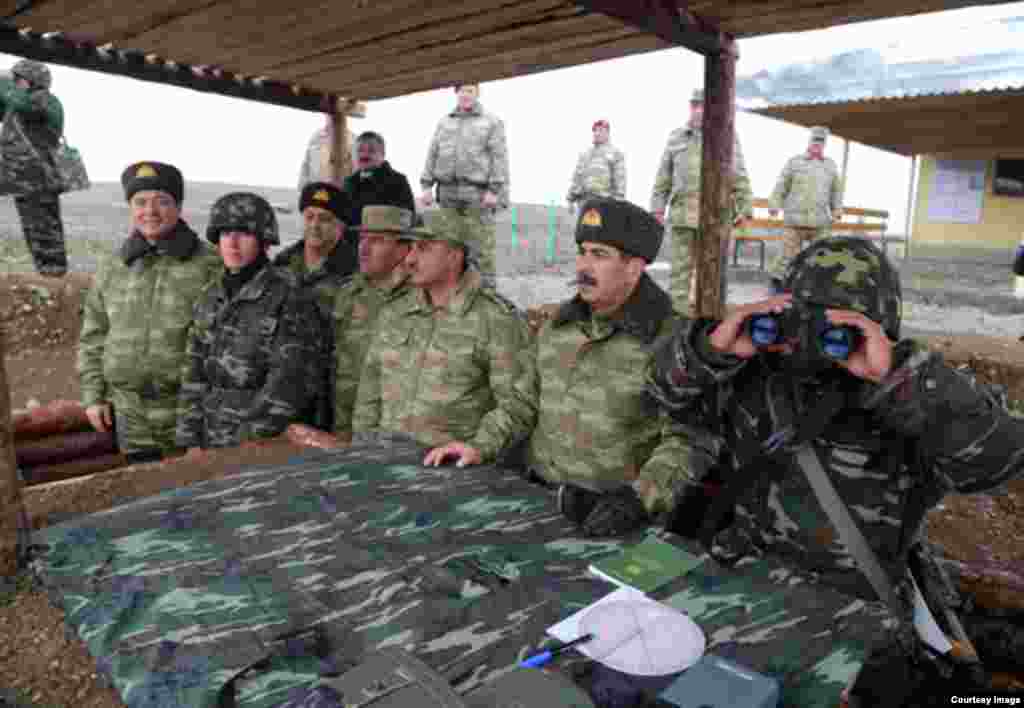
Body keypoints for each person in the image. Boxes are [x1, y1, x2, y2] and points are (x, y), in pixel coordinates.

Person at [646, 237, 1024, 704]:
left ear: (877, 326)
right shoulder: (753, 378)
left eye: (832, 328)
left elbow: (998, 460)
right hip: (746, 584)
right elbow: (663, 391)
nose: (807, 341)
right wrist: (712, 347)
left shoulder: (912, 396)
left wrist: (898, 375)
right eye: (798, 318)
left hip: (855, 610)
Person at [523, 198, 698, 537]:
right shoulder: (558, 326)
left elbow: (690, 439)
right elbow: (523, 399)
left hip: (614, 518)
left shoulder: (670, 339)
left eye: (600, 255)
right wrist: (479, 446)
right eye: (582, 252)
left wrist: (638, 499)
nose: (584, 266)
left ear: (634, 267)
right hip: (539, 501)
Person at [353, 207, 535, 465]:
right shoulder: (396, 311)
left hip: (451, 468)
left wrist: (479, 447)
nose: (410, 259)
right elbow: (369, 392)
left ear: (454, 255)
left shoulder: (496, 319)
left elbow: (518, 403)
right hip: (385, 461)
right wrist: (361, 450)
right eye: (411, 247)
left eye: (423, 248)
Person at [78, 161, 222, 461]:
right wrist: (93, 396)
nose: (150, 211)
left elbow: (227, 343)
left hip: (189, 415)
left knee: (197, 487)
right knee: (142, 486)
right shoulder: (113, 266)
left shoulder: (211, 265)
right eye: (140, 202)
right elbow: (94, 334)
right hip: (130, 416)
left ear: (179, 207)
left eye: (162, 201)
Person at [176, 192, 324, 452]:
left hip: (262, 446)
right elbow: (193, 372)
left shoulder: (289, 296)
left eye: (243, 234)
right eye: (225, 234)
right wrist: (190, 440)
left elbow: (289, 384)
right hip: (210, 440)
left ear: (264, 240)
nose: (232, 243)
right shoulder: (210, 295)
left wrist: (243, 445)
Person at [650, 88, 753, 315]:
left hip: (715, 217)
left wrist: (745, 208)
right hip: (683, 216)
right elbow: (663, 175)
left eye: (703, 106)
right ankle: (677, 319)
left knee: (712, 275)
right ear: (690, 107)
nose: (699, 110)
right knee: (679, 274)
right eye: (695, 105)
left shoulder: (727, 135)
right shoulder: (676, 137)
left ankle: (707, 322)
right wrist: (657, 208)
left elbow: (739, 173)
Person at [419, 83, 509, 289]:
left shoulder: (491, 121)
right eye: (462, 91)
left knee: (480, 249)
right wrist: (426, 186)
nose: (466, 95)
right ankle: (452, 294)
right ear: (456, 93)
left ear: (477, 93)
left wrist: (494, 190)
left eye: (470, 91)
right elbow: (433, 152)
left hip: (476, 194)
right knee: (449, 246)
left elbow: (499, 156)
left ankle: (486, 296)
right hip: (447, 193)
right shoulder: (444, 122)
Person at [0, 59, 67, 277]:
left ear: (31, 81)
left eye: (17, 79)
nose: (13, 83)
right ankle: (47, 273)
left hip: (39, 179)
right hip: (21, 178)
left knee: (44, 229)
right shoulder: (18, 104)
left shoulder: (44, 100)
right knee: (33, 229)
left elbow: (23, 105)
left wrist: (2, 82)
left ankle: (54, 275)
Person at [768, 125, 844, 275]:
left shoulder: (830, 166)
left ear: (824, 144)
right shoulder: (794, 162)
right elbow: (781, 186)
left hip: (819, 222)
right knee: (788, 261)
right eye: (815, 140)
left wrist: (837, 209)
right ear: (809, 141)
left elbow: (836, 191)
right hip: (794, 221)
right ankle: (778, 284)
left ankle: (815, 286)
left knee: (822, 259)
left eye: (821, 141)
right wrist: (774, 204)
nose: (817, 144)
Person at [273, 181, 357, 313]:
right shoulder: (281, 264)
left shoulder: (355, 273)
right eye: (309, 217)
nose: (314, 225)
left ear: (341, 226)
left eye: (324, 219)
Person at [342, 131, 415, 228]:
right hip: (352, 236)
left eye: (371, 151)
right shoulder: (349, 182)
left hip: (386, 235)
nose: (364, 155)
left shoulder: (398, 181)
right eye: (360, 150)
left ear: (383, 155)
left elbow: (408, 217)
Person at [566, 119, 626, 210]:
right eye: (595, 131)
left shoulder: (615, 153)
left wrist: (618, 202)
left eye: (601, 130)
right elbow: (577, 177)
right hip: (584, 202)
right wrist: (570, 199)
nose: (597, 133)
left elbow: (620, 179)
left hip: (605, 203)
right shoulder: (585, 155)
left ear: (607, 134)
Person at [297, 116, 350, 189]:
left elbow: (356, 171)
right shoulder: (316, 137)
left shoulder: (352, 140)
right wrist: (301, 189)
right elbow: (305, 166)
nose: (331, 117)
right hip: (316, 191)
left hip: (339, 192)